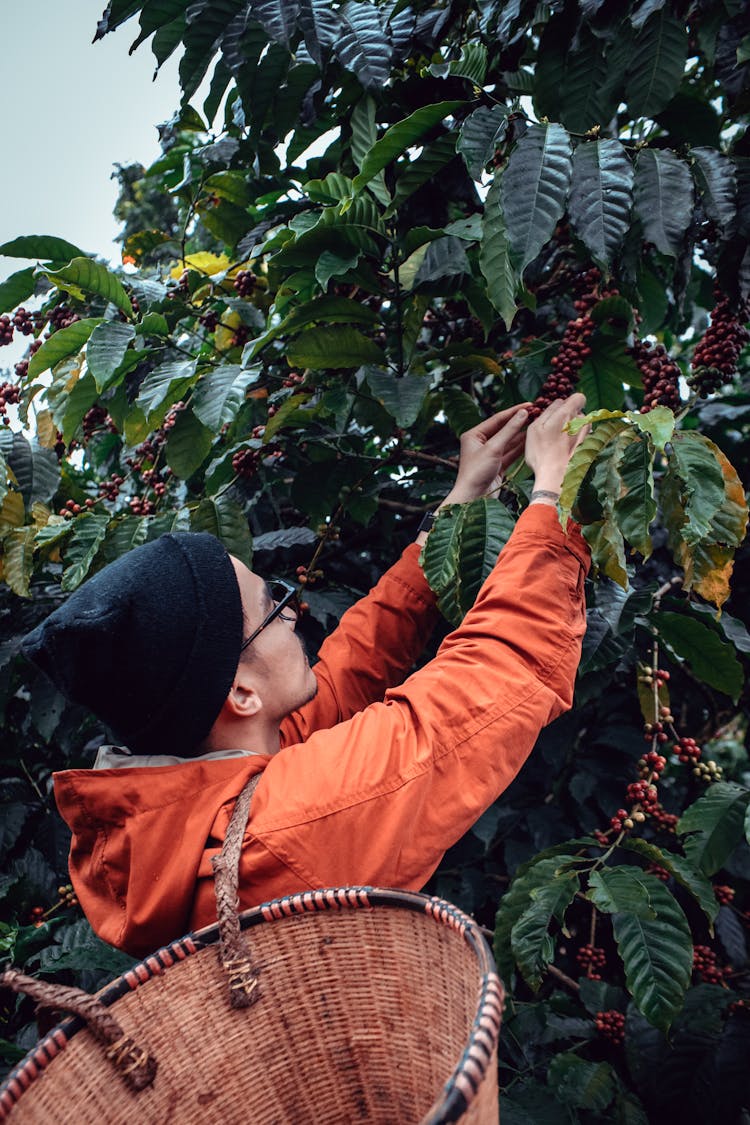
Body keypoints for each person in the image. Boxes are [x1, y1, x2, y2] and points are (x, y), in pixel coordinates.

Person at [23, 394, 590, 958]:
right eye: (273, 606)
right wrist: (555, 491)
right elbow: (497, 674)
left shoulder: (198, 804)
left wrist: (459, 506)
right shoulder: (286, 831)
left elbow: (351, 670)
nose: (293, 612)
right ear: (242, 693)